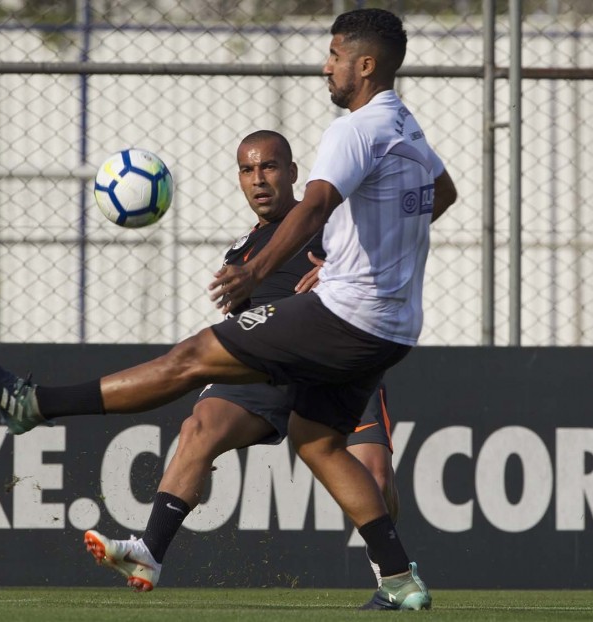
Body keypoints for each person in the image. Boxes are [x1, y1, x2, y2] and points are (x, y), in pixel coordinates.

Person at [0, 8, 456, 611]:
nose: (326, 66)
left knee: (192, 357)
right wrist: (368, 255)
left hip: (347, 315)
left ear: (364, 64)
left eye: (334, 55)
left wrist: (257, 271)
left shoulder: (353, 130)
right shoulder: (407, 129)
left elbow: (312, 209)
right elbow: (442, 194)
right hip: (393, 325)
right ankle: (399, 579)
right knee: (315, 440)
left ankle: (34, 403)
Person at [82, 129, 401, 591]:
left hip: (336, 359)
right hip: (267, 362)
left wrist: (338, 273)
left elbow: (389, 255)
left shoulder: (329, 220)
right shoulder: (242, 248)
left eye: (269, 167)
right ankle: (149, 552)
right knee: (200, 426)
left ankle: (390, 572)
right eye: (248, 170)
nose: (259, 179)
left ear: (292, 173)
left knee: (373, 475)